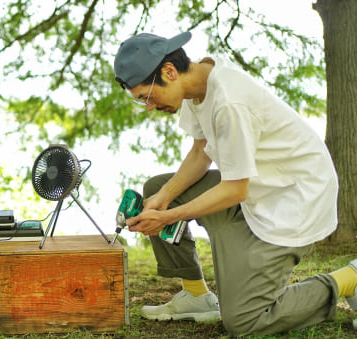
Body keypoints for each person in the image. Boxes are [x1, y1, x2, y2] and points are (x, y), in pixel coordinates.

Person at [113, 31, 357, 335]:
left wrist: (168, 216)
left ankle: (349, 277)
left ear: (169, 72)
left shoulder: (229, 102)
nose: (149, 107)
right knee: (157, 189)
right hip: (256, 188)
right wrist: (163, 198)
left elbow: (235, 188)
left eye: (147, 97)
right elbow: (201, 152)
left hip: (295, 201)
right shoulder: (197, 84)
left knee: (244, 320)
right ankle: (197, 296)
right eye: (141, 101)